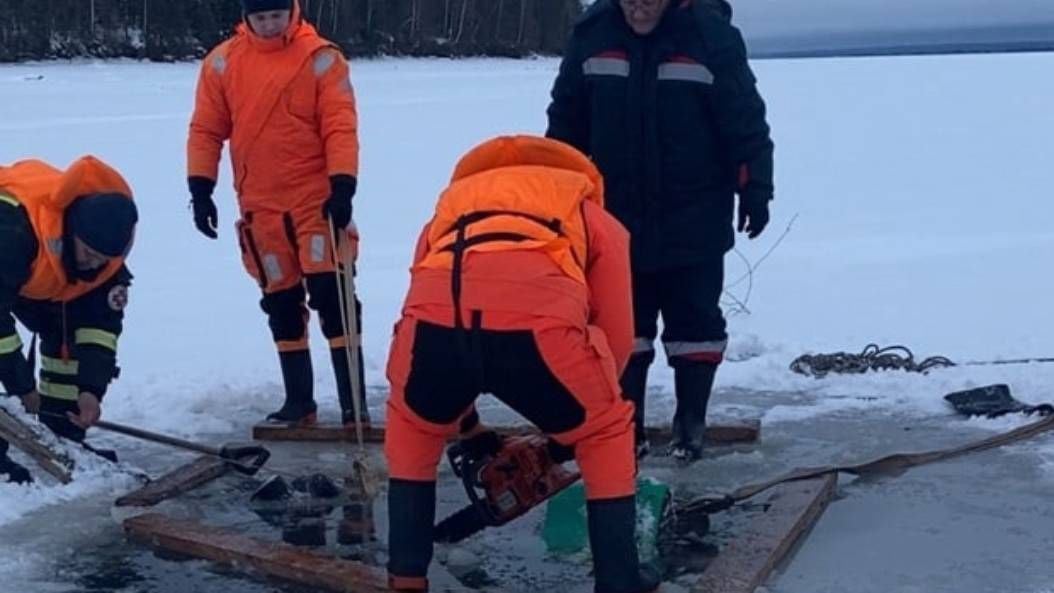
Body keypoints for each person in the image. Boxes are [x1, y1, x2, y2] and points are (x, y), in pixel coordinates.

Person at [383, 135, 659, 593]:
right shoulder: (591, 215)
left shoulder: (446, 215)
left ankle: (405, 576)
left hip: (433, 334)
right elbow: (616, 335)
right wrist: (576, 426)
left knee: (413, 425)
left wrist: (466, 426)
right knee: (606, 431)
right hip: (541, 332)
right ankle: (618, 580)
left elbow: (431, 308)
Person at [546, 0, 775, 461]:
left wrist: (756, 186)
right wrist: (558, 193)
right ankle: (625, 428)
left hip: (695, 214)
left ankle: (690, 426)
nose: (638, 6)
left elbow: (745, 121)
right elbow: (565, 122)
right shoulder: (592, 33)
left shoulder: (711, 38)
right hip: (614, 219)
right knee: (622, 327)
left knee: (696, 326)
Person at [186, 0, 366, 426]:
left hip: (315, 203)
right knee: (281, 302)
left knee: (332, 296)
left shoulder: (321, 58)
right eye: (260, 18)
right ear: (247, 18)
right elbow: (206, 129)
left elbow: (340, 125)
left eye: (276, 16)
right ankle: (299, 402)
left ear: (293, 12)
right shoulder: (222, 63)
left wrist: (343, 185)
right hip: (260, 208)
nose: (269, 26)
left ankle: (353, 404)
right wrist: (201, 188)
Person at [0, 156, 138, 483]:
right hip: (10, 253)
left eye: (101, 260)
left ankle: (61, 431)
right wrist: (23, 389)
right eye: (87, 254)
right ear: (69, 230)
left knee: (68, 333)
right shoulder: (14, 229)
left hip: (33, 274)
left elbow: (99, 330)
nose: (92, 265)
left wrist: (90, 391)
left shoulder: (106, 265)